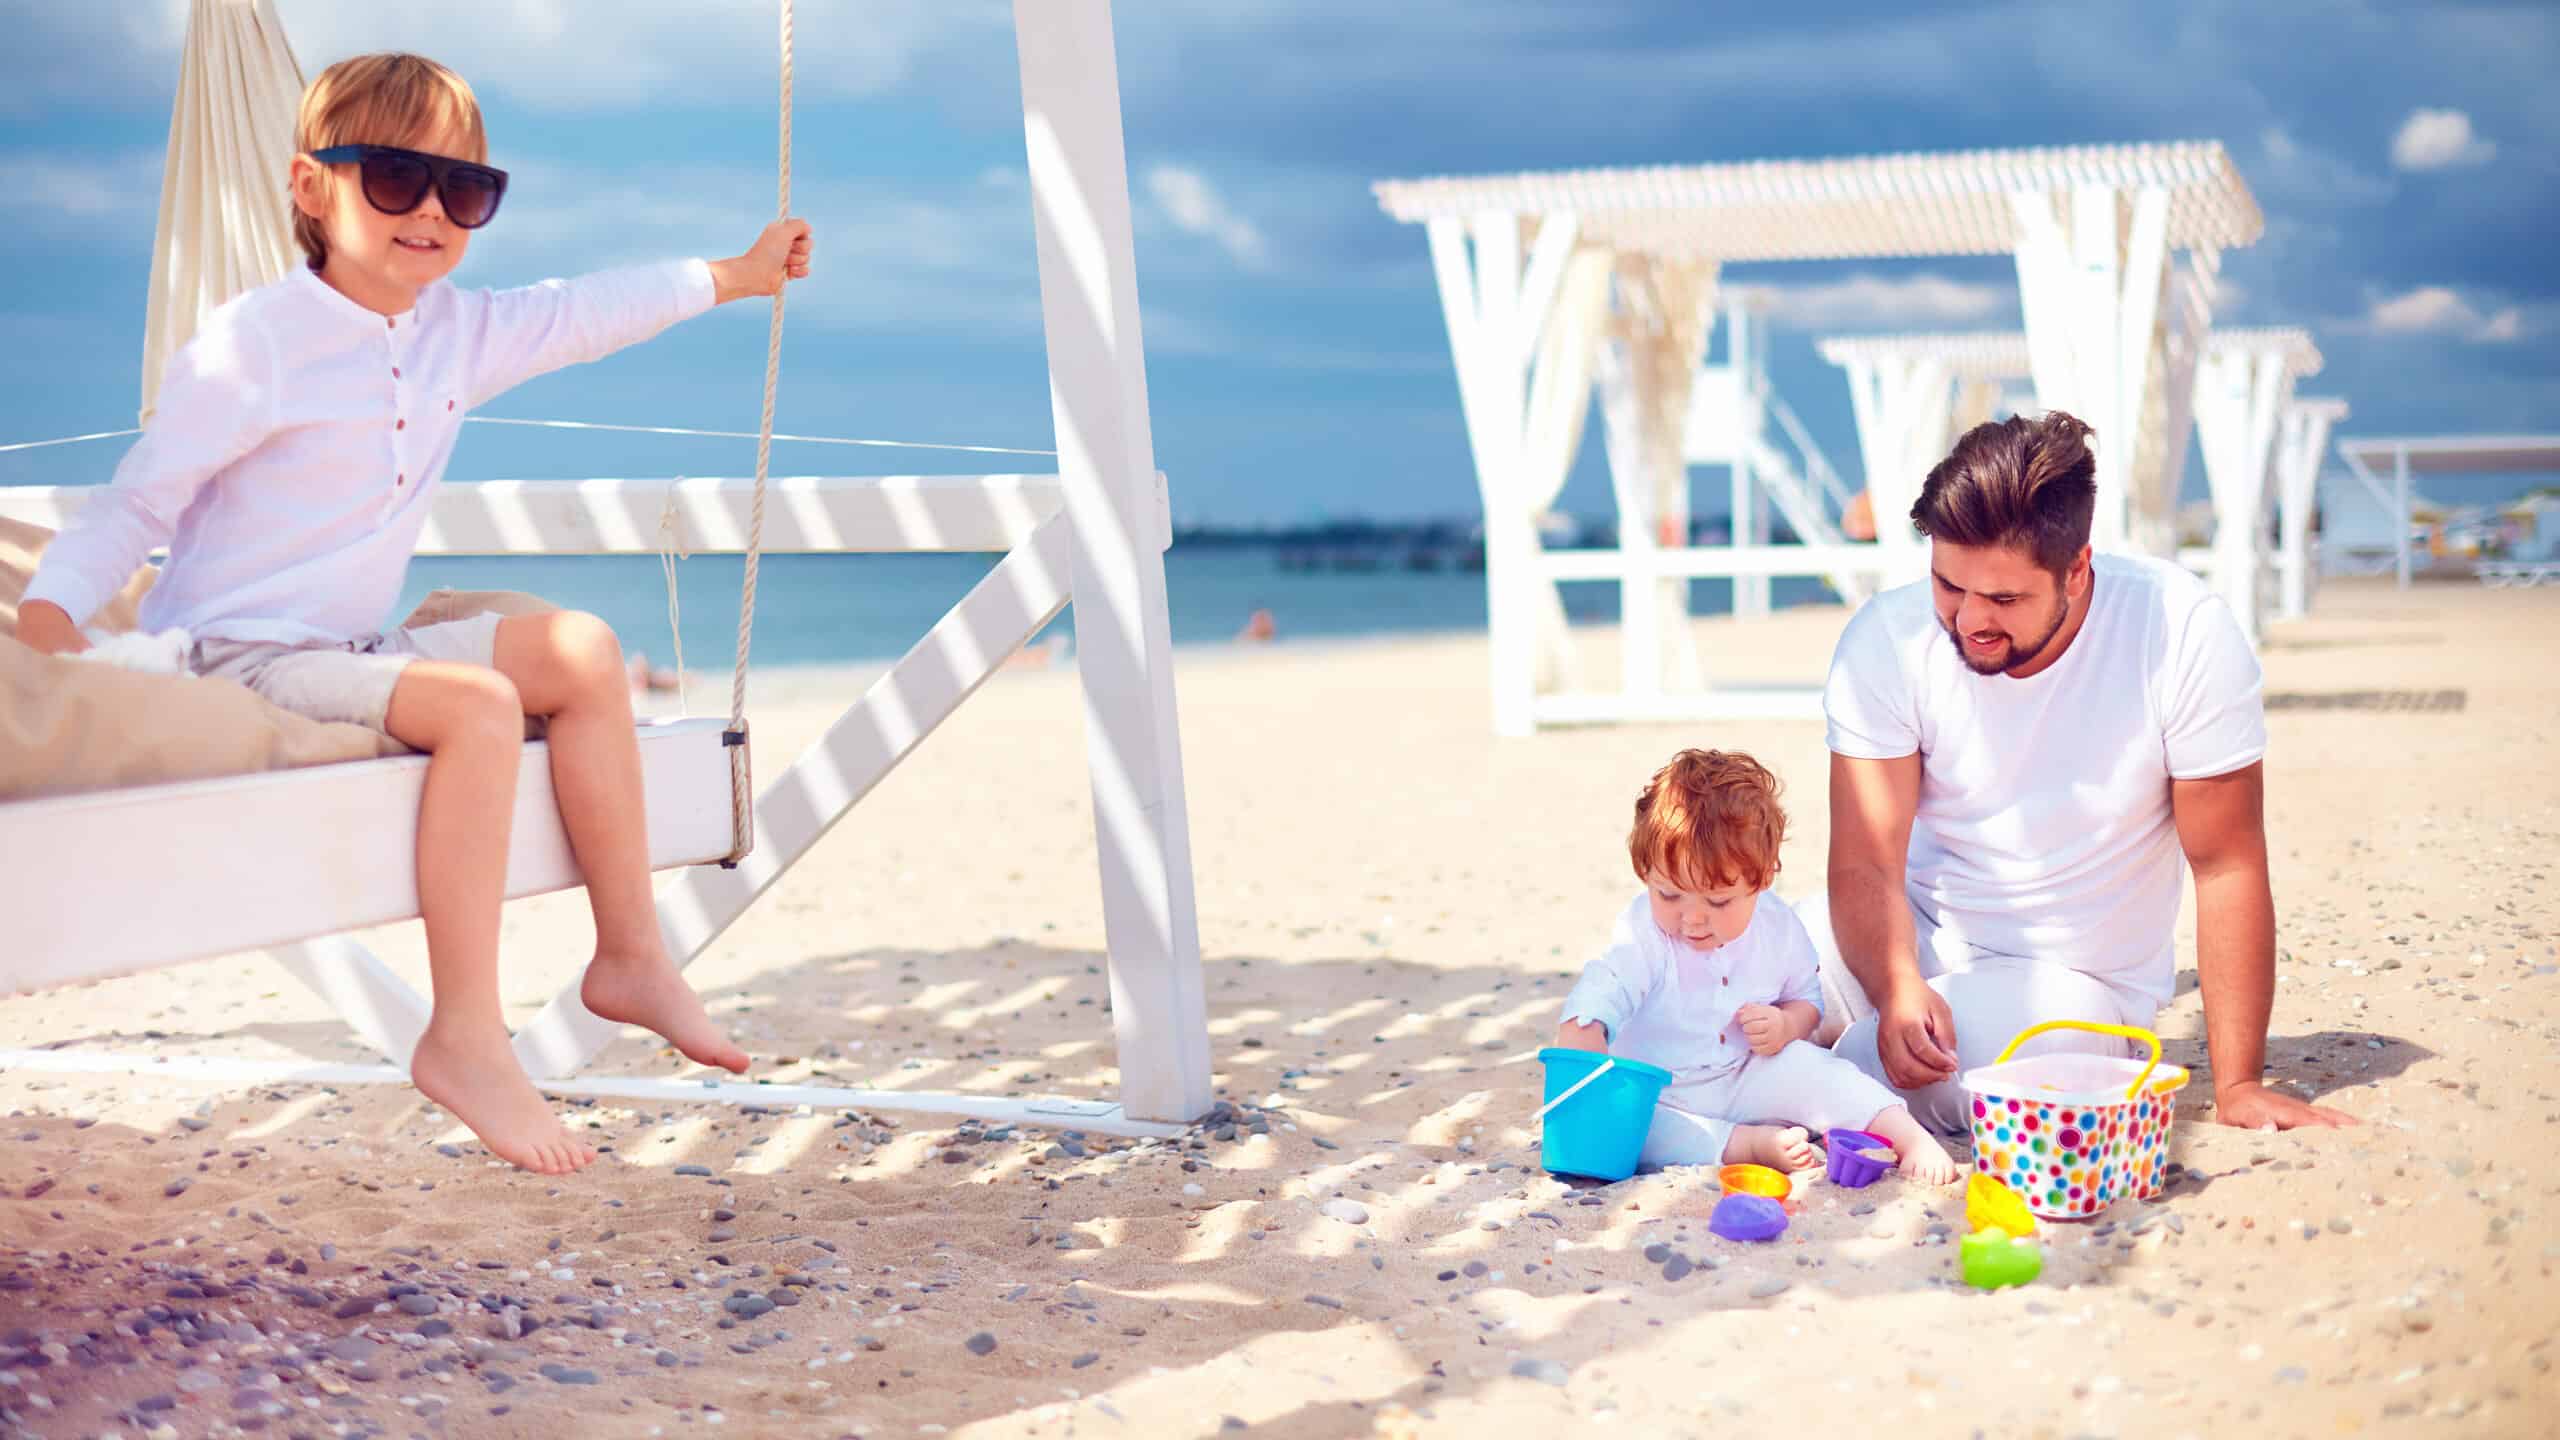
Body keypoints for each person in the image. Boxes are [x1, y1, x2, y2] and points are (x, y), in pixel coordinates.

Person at [10, 54, 816, 1175]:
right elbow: (133, 503)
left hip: (351, 650)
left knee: (582, 652)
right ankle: (466, 1035)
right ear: (310, 187)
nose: (432, 211)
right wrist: (48, 628)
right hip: (237, 659)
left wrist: (736, 274)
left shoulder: (456, 331)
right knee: (480, 707)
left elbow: (588, 311)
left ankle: (629, 956)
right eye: (393, 177)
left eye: (464, 189)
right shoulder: (255, 345)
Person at [1810, 411, 2355, 1134]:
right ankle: (1793, 1069)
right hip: (1901, 938)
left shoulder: (2182, 634)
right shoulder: (1887, 637)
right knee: (1709, 982)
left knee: (1875, 1076)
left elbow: (2227, 865)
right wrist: (1897, 981)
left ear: (2077, 568)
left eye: (2004, 599)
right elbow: (1865, 860)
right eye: (1948, 584)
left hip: (2072, 991)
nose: (1970, 619)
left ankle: (1797, 1075)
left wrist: (2240, 1083)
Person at [1552, 750, 1959, 1182]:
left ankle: (1907, 1135)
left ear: (1762, 879)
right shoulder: (1645, 935)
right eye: (1668, 894)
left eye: (1718, 901)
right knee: (1635, 1130)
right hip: (1661, 1090)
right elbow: (1607, 983)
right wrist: (1585, 1031)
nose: (1692, 918)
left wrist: (1785, 1025)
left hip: (1747, 1071)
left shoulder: (1778, 927)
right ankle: (1748, 1144)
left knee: (1822, 1073)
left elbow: (1806, 1001)